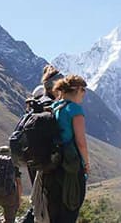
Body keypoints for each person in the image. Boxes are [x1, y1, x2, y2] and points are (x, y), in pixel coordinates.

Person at [20, 65, 64, 223]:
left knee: (38, 198)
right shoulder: (50, 107)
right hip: (46, 162)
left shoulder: (33, 110)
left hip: (33, 160)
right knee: (47, 202)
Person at [46, 74, 90, 222]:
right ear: (77, 90)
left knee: (54, 210)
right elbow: (81, 142)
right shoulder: (75, 109)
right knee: (70, 207)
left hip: (52, 164)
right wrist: (86, 164)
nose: (84, 94)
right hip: (70, 166)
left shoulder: (54, 107)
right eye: (84, 90)